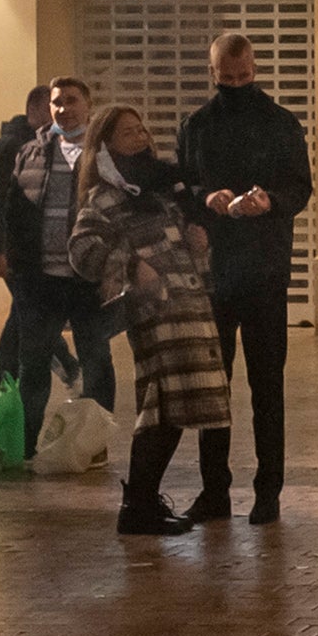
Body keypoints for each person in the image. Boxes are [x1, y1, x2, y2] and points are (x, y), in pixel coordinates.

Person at [66, 103, 228, 534]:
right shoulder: (107, 196)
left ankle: (143, 501)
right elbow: (82, 251)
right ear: (106, 146)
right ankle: (137, 505)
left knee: (176, 409)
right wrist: (132, 267)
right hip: (157, 315)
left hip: (190, 310)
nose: (140, 138)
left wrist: (198, 245)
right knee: (162, 407)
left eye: (141, 130)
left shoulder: (157, 188)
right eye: (127, 134)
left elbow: (173, 243)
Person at [179, 32, 314, 526]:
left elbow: (299, 186)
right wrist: (206, 197)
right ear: (212, 71)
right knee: (212, 387)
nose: (235, 84)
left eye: (243, 76)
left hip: (264, 269)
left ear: (253, 69)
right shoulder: (196, 125)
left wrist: (269, 201)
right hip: (214, 271)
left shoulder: (280, 123)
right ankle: (215, 490)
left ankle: (268, 490)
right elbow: (184, 185)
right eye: (226, 77)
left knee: (266, 386)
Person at [0, 76, 119, 453]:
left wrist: (112, 269)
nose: (63, 108)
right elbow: (13, 209)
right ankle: (27, 444)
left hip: (87, 279)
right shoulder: (31, 151)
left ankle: (93, 446)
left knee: (96, 361)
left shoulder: (104, 155)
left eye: (71, 100)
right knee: (32, 365)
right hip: (41, 279)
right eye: (57, 102)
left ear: (88, 105)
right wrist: (12, 259)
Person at [0, 81, 54, 382]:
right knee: (27, 311)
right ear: (34, 109)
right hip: (15, 250)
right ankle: (6, 374)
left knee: (27, 312)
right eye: (52, 107)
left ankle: (12, 374)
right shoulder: (9, 148)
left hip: (35, 250)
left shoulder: (48, 145)